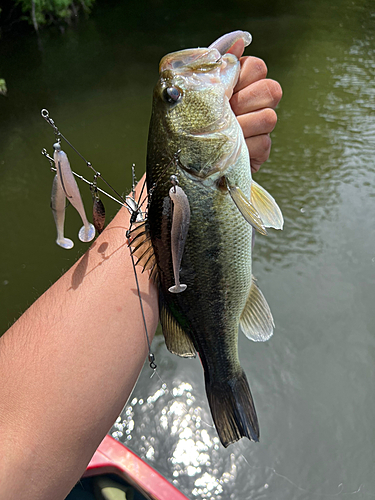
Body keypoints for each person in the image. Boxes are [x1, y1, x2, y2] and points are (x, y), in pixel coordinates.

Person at [0, 40, 282, 500]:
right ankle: (224, 373)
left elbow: (175, 189)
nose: (174, 90)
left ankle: (222, 371)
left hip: (196, 183)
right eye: (174, 98)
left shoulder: (198, 162)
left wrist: (215, 149)